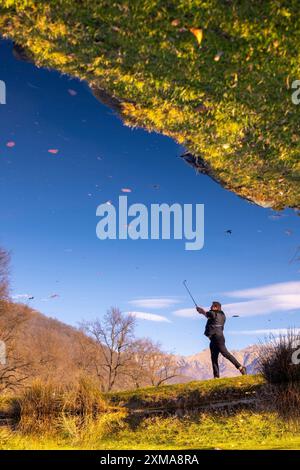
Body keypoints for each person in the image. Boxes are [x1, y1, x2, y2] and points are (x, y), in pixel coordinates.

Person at [196, 301, 247, 378]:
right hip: (216, 338)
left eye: (212, 306)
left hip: (217, 338)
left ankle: (240, 367)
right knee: (214, 357)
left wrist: (200, 310)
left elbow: (205, 313)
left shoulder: (213, 313)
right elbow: (209, 316)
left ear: (216, 307)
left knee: (225, 354)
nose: (210, 307)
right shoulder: (222, 315)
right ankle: (216, 377)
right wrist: (203, 312)